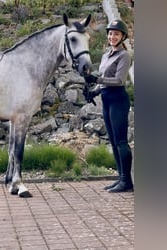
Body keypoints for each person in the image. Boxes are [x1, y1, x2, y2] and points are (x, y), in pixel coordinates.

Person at [83, 19, 133, 193]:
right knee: (112, 142)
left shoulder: (124, 56)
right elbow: (103, 81)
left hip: (118, 100)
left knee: (121, 142)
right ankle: (121, 178)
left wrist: (97, 79)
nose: (112, 36)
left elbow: (119, 80)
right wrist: (94, 91)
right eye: (111, 33)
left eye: (116, 33)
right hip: (107, 100)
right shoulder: (106, 55)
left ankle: (127, 181)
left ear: (123, 37)